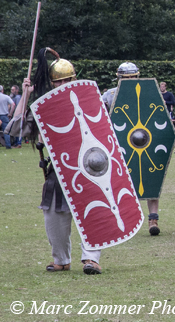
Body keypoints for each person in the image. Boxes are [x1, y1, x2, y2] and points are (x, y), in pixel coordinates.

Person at [17, 49, 104, 274]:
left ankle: (91, 259)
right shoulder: (45, 107)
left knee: (93, 213)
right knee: (54, 218)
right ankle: (61, 260)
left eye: (67, 80)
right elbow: (18, 129)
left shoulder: (89, 101)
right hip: (59, 169)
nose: (63, 84)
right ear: (53, 83)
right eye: (59, 81)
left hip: (90, 168)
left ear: (74, 80)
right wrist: (26, 95)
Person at [102, 62, 167, 236]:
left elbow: (159, 117)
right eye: (126, 78)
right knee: (119, 182)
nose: (130, 81)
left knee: (151, 178)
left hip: (145, 142)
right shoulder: (109, 95)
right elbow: (101, 118)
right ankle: (123, 220)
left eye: (132, 77)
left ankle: (153, 219)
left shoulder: (148, 93)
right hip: (119, 144)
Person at [0, 85, 15, 149]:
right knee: (6, 131)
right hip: (4, 115)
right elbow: (13, 104)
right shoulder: (6, 97)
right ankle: (8, 145)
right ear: (2, 90)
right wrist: (10, 114)